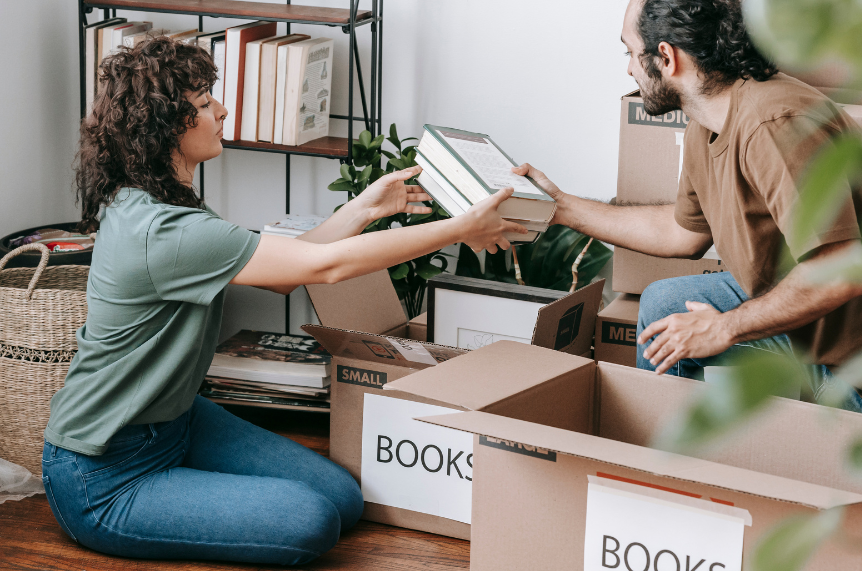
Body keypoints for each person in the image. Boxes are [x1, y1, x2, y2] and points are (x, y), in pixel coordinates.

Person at [516, 0, 862, 570]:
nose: (627, 65)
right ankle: (686, 505)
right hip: (824, 332)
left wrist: (723, 327)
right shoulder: (707, 119)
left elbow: (843, 269)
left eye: (629, 50)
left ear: (668, 59)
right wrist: (561, 208)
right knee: (667, 312)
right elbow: (679, 231)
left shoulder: (772, 122)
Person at [41, 37, 526, 565]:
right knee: (308, 521)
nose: (221, 110)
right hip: (104, 474)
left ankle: (188, 488)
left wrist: (366, 207)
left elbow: (286, 268)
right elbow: (322, 267)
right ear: (165, 126)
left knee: (342, 499)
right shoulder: (164, 230)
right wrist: (458, 228)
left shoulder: (159, 202)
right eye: (204, 104)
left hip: (175, 422)